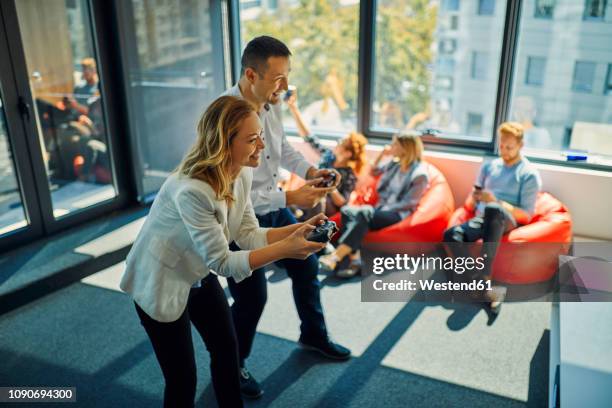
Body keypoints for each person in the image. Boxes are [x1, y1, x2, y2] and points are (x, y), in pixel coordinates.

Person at [120, 96, 327, 408]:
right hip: (160, 278)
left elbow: (246, 233)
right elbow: (222, 262)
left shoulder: (240, 171)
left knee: (227, 351)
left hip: (196, 273)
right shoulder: (192, 190)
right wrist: (284, 249)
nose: (261, 146)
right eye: (252, 139)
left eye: (261, 136)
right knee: (182, 379)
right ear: (223, 142)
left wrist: (297, 230)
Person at [222, 36, 352, 399]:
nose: (285, 86)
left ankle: (313, 334)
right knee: (251, 299)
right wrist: (292, 195)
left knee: (307, 267)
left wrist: (311, 171)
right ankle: (231, 364)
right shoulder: (226, 114)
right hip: (237, 218)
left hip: (273, 207)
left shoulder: (270, 102)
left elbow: (282, 148)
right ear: (251, 74)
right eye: (278, 78)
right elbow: (232, 188)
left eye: (287, 76)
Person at [443, 122, 542, 313]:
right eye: (501, 146)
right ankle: (482, 287)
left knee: (493, 209)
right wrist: (474, 196)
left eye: (509, 147)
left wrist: (495, 201)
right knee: (451, 234)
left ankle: (485, 275)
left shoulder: (529, 174)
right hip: (482, 218)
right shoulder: (489, 167)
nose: (503, 150)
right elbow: (470, 205)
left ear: (521, 146)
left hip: (505, 219)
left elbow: (526, 215)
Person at [319, 133, 429, 279]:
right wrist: (382, 154)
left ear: (405, 148)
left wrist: (385, 209)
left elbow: (409, 203)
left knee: (363, 213)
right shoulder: (395, 164)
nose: (391, 147)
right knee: (347, 211)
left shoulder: (419, 174)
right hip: (380, 209)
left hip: (397, 213)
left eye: (395, 144)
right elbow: (373, 171)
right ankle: (355, 260)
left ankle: (337, 255)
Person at [286, 87, 368, 217]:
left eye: (342, 143)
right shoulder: (329, 155)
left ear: (348, 153)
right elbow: (308, 136)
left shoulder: (349, 175)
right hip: (310, 195)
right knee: (292, 198)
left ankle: (306, 223)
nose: (338, 143)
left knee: (318, 197)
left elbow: (342, 202)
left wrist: (329, 186)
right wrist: (294, 109)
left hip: (327, 205)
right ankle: (295, 214)